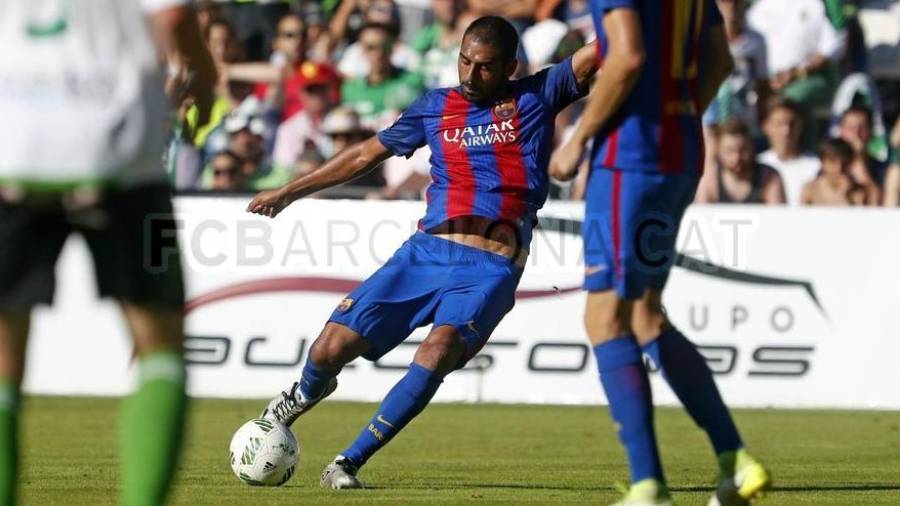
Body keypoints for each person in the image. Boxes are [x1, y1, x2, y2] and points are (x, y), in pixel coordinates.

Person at [246, 16, 599, 489]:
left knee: (438, 349)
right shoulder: (436, 107)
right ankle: (303, 395)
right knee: (328, 349)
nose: (471, 75)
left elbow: (608, 46)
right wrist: (291, 190)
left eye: (486, 67)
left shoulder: (539, 94)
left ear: (511, 67)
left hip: (490, 267)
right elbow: (365, 154)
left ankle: (347, 463)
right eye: (465, 62)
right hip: (425, 254)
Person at [548, 1, 771, 505]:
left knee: (605, 319)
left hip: (629, 158)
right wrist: (682, 112)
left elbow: (625, 56)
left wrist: (578, 139)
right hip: (682, 153)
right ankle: (735, 460)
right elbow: (720, 61)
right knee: (646, 316)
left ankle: (648, 486)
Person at [0, 1, 215, 505]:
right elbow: (174, 20)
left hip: (15, 150)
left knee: (5, 359)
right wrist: (203, 77)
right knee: (159, 346)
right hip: (121, 156)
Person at [340, 22, 426, 129]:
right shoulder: (350, 90)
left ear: (392, 47)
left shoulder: (412, 82)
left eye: (384, 46)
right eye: (371, 47)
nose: (378, 54)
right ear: (362, 50)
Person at [696, 120, 786, 204]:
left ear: (752, 148)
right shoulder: (711, 180)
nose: (737, 158)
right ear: (719, 151)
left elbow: (777, 216)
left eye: (743, 150)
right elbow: (701, 215)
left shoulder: (768, 177)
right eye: (730, 151)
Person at [757, 97, 821, 206]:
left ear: (801, 126)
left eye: (792, 124)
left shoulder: (817, 166)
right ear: (765, 127)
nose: (787, 131)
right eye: (780, 123)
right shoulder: (757, 165)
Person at [801, 138, 873, 206]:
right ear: (823, 163)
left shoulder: (859, 192)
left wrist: (845, 196)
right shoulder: (810, 190)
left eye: (844, 162)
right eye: (833, 162)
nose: (839, 168)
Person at [837, 106, 884, 204]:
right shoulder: (827, 167)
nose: (856, 134)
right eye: (851, 128)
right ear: (841, 131)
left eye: (862, 128)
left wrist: (867, 180)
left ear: (871, 132)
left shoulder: (883, 169)